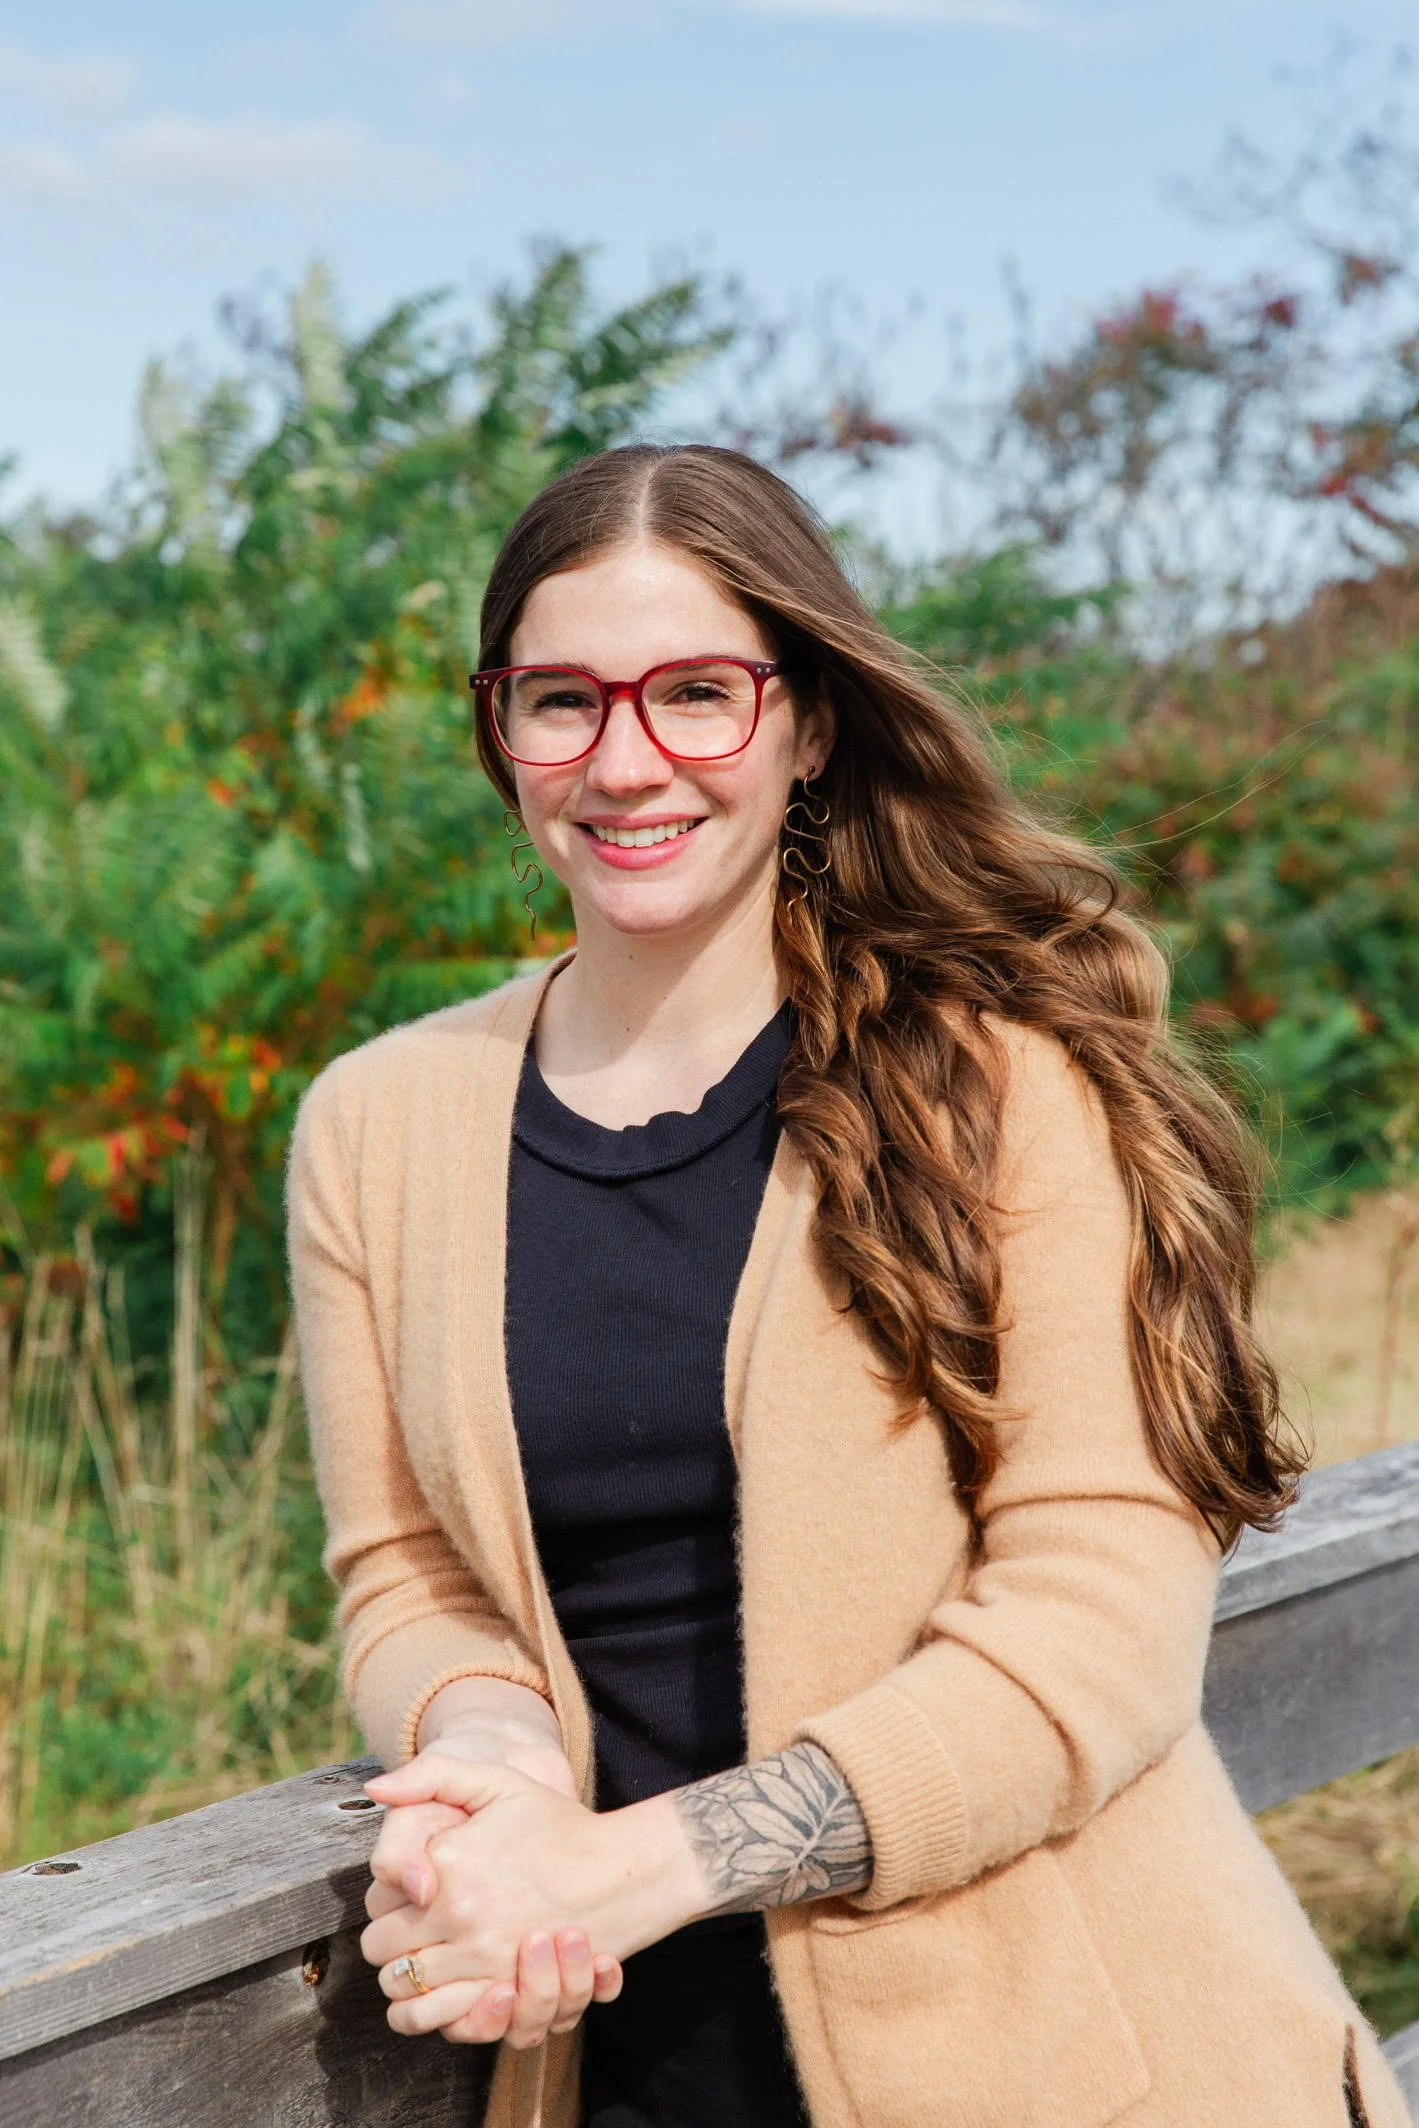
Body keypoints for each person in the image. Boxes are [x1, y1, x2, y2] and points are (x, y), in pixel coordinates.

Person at [286, 443, 1408, 2128]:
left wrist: (642, 1866)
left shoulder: (997, 1084)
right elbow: (406, 1569)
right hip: (615, 2061)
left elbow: (1095, 1622)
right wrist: (496, 1755)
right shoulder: (376, 1124)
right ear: (497, 729)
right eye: (560, 701)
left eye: (696, 693)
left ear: (807, 722)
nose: (626, 758)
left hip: (1068, 2058)